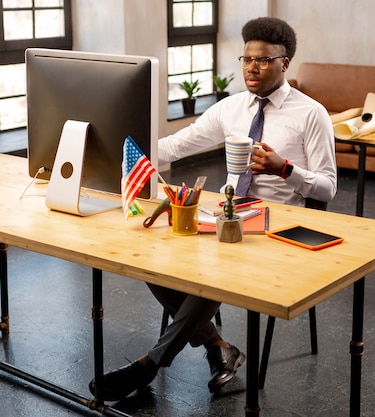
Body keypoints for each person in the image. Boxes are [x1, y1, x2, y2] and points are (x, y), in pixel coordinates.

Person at [89, 16, 337, 402]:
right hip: (230, 214)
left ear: (285, 63)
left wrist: (283, 168)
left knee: (214, 268)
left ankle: (152, 363)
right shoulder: (231, 108)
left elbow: (328, 186)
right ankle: (218, 347)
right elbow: (175, 147)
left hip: (279, 226)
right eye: (246, 59)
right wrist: (120, 144)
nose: (252, 68)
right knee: (152, 256)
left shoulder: (311, 114)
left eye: (264, 60)